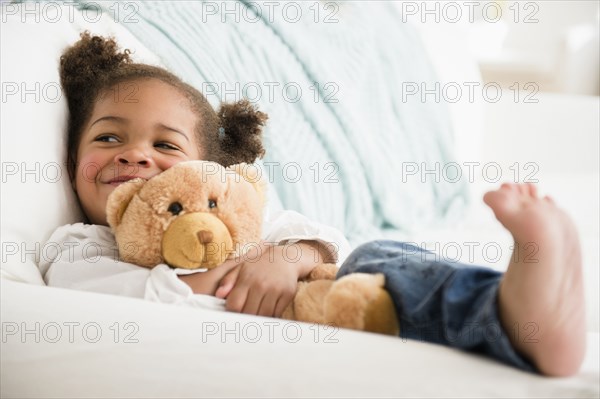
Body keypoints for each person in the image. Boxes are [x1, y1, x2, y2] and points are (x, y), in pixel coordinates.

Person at [41, 32, 586, 378]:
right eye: (108, 139)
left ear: (211, 172)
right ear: (72, 162)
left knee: (381, 261)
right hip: (316, 328)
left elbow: (326, 240)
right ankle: (517, 318)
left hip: (347, 293)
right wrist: (233, 278)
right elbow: (114, 294)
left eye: (165, 146)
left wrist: (288, 257)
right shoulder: (80, 245)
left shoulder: (243, 217)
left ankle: (516, 305)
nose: (135, 155)